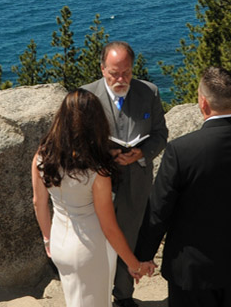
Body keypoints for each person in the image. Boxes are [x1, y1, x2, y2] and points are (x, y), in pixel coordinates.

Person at [134, 67, 231, 307]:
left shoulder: (181, 150)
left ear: (203, 103)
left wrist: (143, 256)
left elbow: (159, 211)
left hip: (190, 267)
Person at [31, 89, 152, 307]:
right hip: (90, 249)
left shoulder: (42, 155)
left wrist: (48, 240)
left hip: (59, 242)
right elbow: (109, 227)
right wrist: (134, 264)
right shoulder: (96, 172)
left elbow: (38, 203)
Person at [81, 41, 168, 307]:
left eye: (126, 73)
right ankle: (96, 293)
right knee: (96, 237)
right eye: (114, 73)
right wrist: (105, 156)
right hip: (98, 181)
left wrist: (141, 153)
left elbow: (160, 134)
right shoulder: (86, 96)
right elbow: (78, 140)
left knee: (129, 235)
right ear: (102, 68)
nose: (121, 79)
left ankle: (124, 295)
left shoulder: (149, 92)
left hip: (136, 180)